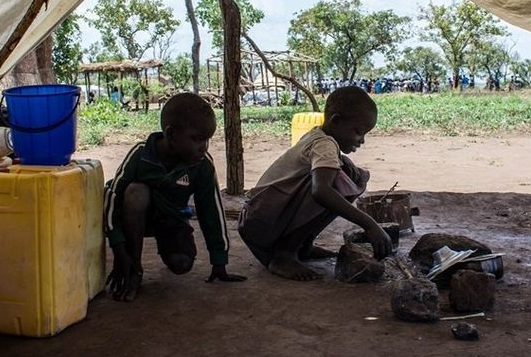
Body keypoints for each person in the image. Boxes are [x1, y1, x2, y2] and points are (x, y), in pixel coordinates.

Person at [237, 86, 393, 281]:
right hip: (261, 224)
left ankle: (302, 246)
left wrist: (344, 162)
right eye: (358, 132)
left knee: (352, 176)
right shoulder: (324, 144)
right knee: (334, 186)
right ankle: (284, 254)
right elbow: (321, 191)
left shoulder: (318, 136)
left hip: (258, 218)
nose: (362, 140)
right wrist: (370, 225)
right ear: (335, 121)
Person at [103, 92, 246, 301]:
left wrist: (219, 262)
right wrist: (119, 249)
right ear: (170, 134)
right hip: (135, 217)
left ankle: (166, 247)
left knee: (182, 264)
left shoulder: (202, 164)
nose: (203, 147)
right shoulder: (141, 154)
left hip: (172, 219)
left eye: (207, 140)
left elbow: (211, 211)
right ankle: (134, 270)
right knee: (136, 192)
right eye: (197, 139)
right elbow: (112, 196)